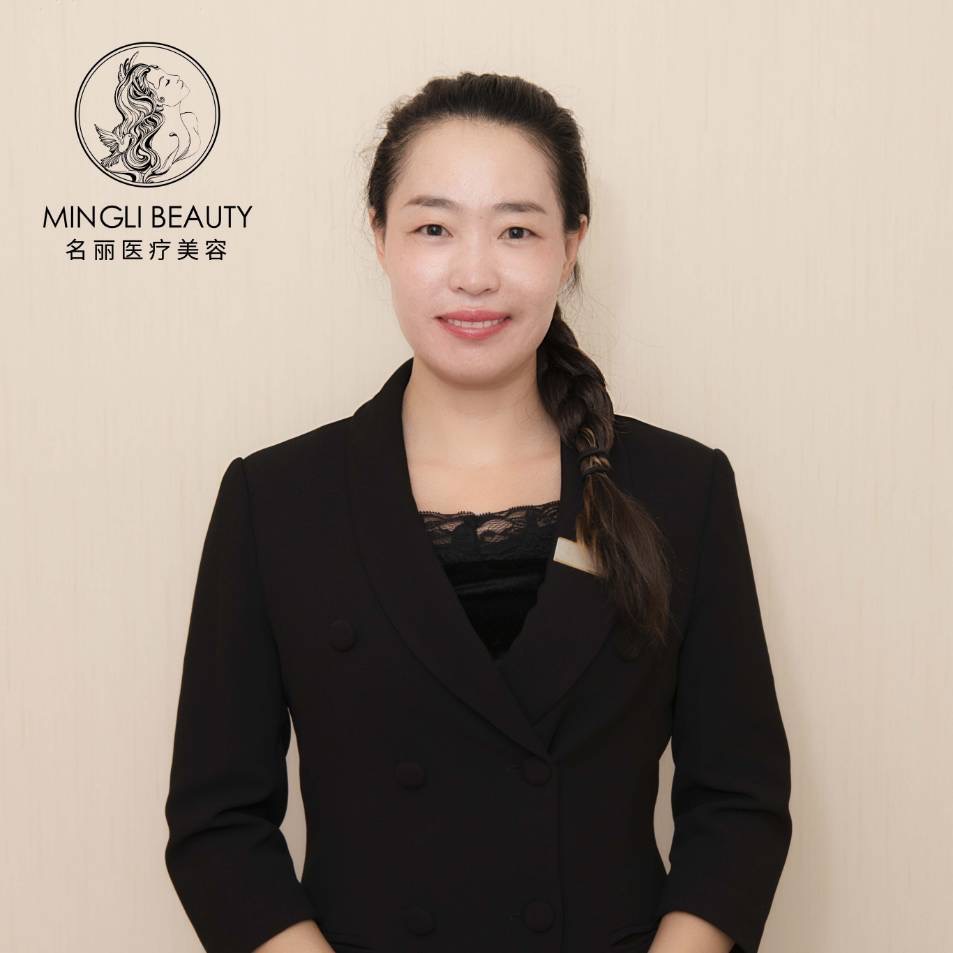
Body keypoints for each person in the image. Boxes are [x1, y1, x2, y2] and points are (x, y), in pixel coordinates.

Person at [164, 71, 792, 953]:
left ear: (571, 244)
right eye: (433, 227)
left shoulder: (680, 487)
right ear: (378, 237)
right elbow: (218, 822)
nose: (473, 274)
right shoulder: (276, 500)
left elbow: (738, 799)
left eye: (516, 230)